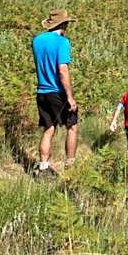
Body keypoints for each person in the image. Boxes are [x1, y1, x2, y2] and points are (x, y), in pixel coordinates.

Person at [31, 9, 78, 176]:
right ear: (63, 24)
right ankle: (70, 164)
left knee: (49, 128)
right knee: (72, 126)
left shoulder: (36, 40)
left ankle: (43, 166)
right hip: (57, 91)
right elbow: (62, 70)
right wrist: (70, 97)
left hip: (41, 90)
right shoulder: (62, 42)